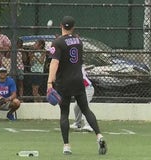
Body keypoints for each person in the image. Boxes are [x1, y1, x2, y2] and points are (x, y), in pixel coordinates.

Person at [47, 16, 107, 155]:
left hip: (64, 82)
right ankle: (99, 135)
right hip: (78, 80)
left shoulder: (57, 42)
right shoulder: (79, 41)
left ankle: (67, 145)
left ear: (61, 25)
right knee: (86, 109)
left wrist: (50, 82)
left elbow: (54, 63)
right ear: (73, 27)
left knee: (64, 113)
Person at [70, 67, 94, 132]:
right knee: (76, 107)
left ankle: (88, 125)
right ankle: (78, 124)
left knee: (84, 107)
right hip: (81, 90)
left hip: (88, 89)